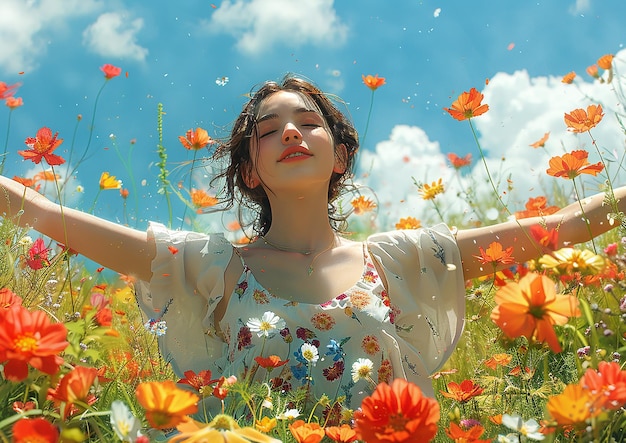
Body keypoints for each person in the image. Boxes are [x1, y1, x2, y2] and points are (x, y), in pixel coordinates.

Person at [0, 76, 624, 412]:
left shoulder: (401, 260)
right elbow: (74, 226)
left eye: (309, 122)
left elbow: (560, 226)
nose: (291, 133)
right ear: (250, 170)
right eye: (268, 131)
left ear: (340, 154)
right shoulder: (215, 267)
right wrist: (21, 201)